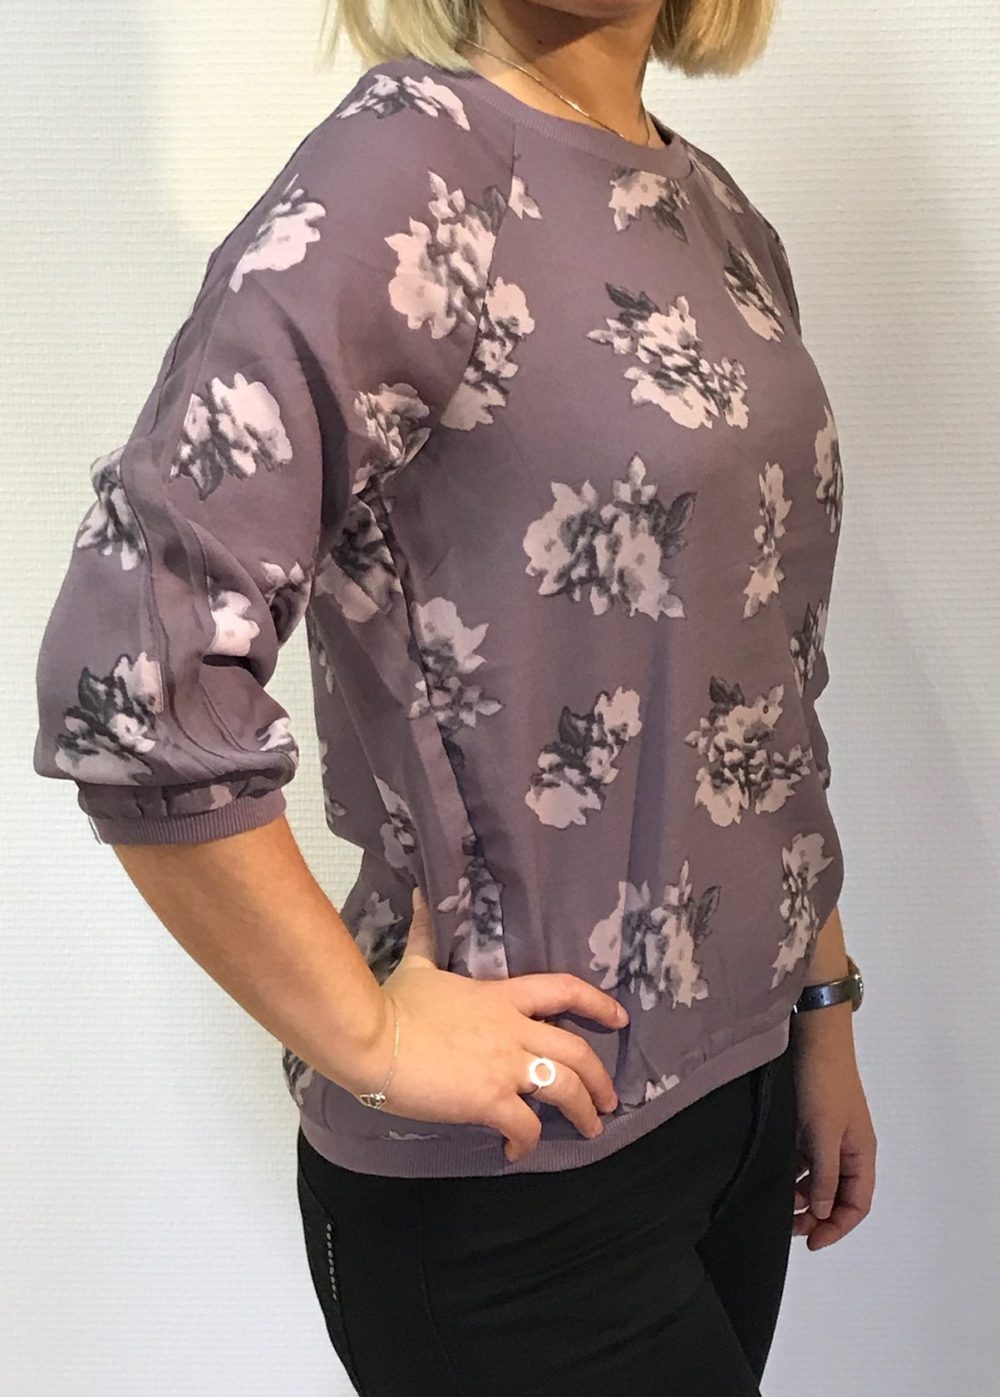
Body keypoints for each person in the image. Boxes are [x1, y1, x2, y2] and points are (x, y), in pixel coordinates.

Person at [32, 0, 877, 1391]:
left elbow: (766, 672)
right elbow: (133, 665)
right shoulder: (412, 163)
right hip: (518, 1181)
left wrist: (822, 1003)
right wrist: (365, 1035)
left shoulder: (719, 217)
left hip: (742, 1098)